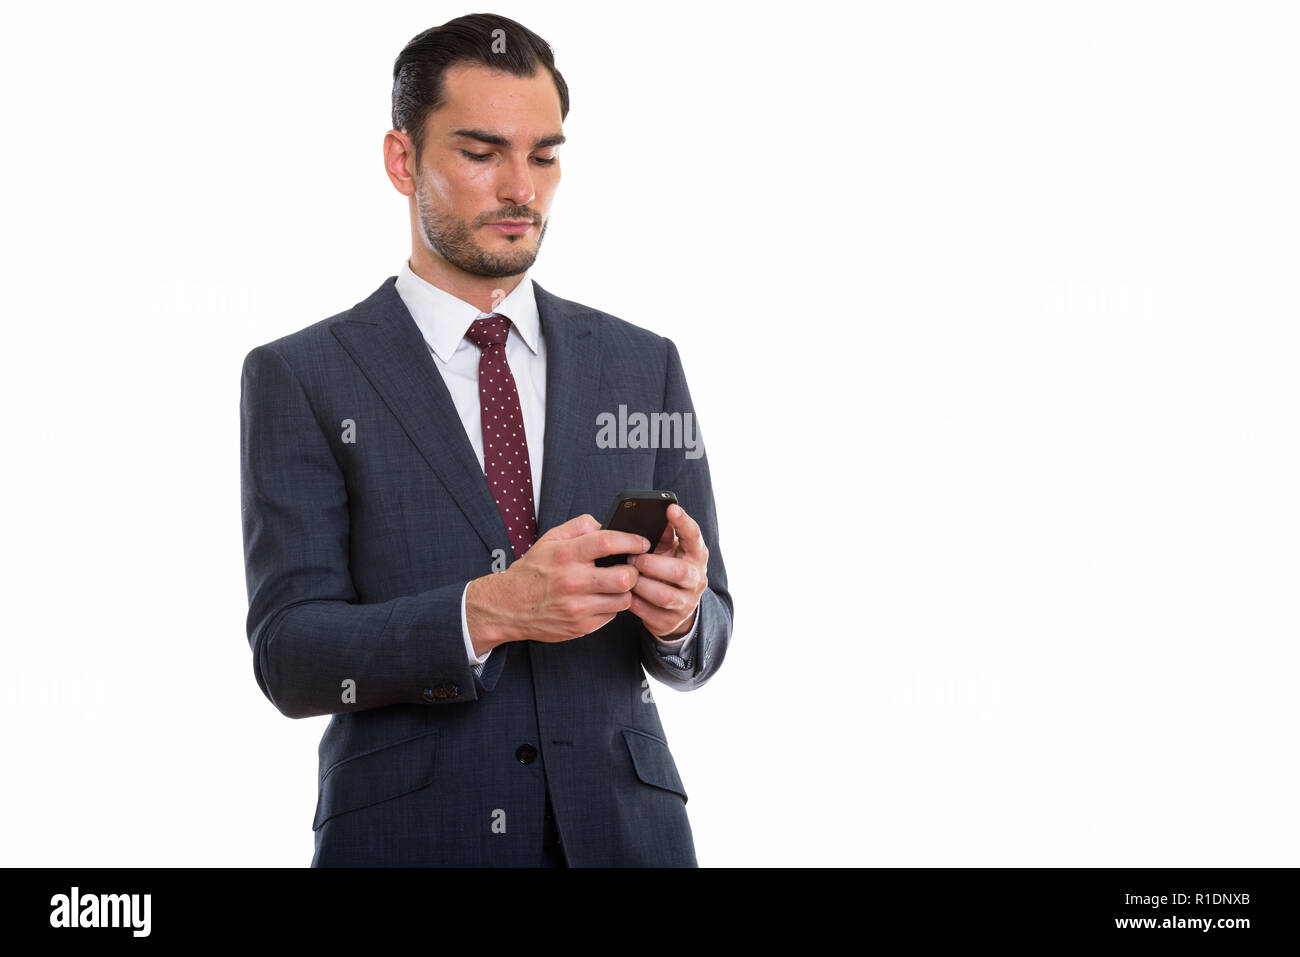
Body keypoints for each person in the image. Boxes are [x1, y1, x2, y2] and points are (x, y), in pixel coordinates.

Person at [238, 13, 733, 867]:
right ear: (403, 161)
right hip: (408, 838)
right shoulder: (303, 374)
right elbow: (291, 653)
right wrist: (488, 611)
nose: (521, 189)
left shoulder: (643, 364)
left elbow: (712, 629)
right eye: (481, 153)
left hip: (628, 836)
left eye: (544, 155)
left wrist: (681, 614)